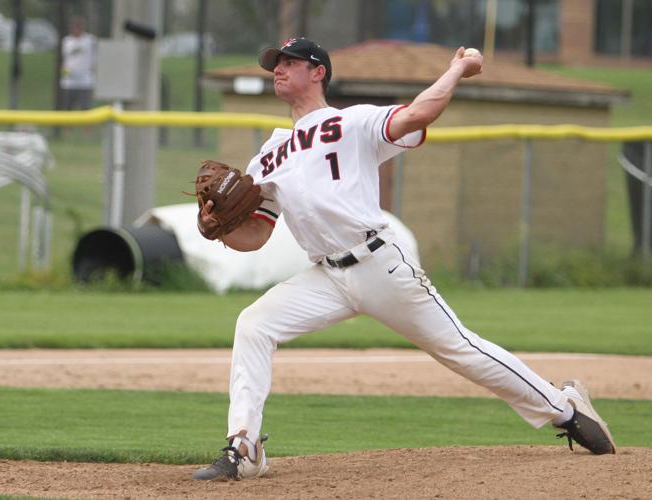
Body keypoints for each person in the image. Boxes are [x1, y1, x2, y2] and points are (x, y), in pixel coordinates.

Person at [193, 37, 616, 482]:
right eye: (274, 64)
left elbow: (418, 114)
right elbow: (257, 235)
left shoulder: (351, 122)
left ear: (318, 72)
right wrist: (217, 229)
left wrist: (456, 70)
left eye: (290, 62)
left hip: (380, 265)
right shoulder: (269, 154)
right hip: (325, 277)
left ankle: (563, 408)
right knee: (255, 324)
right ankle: (245, 446)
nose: (278, 69)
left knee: (461, 350)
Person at [60, 16, 96, 113]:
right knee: (67, 110)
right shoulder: (66, 41)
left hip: (85, 81)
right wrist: (65, 72)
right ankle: (66, 128)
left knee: (86, 110)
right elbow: (65, 60)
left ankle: (87, 129)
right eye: (73, 27)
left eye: (77, 27)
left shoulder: (89, 40)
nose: (74, 29)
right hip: (69, 82)